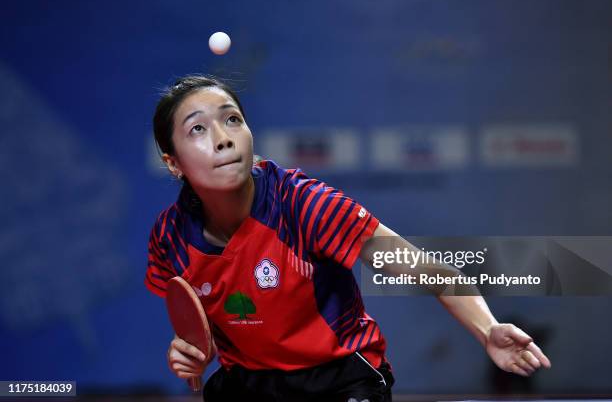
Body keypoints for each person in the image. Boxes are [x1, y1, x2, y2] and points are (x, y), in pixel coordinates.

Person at [145, 75, 551, 402]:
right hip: (249, 385)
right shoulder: (170, 239)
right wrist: (189, 353)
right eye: (198, 128)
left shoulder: (306, 206)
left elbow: (429, 272)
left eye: (232, 119)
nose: (223, 137)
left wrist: (488, 330)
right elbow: (203, 325)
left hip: (339, 380)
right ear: (173, 162)